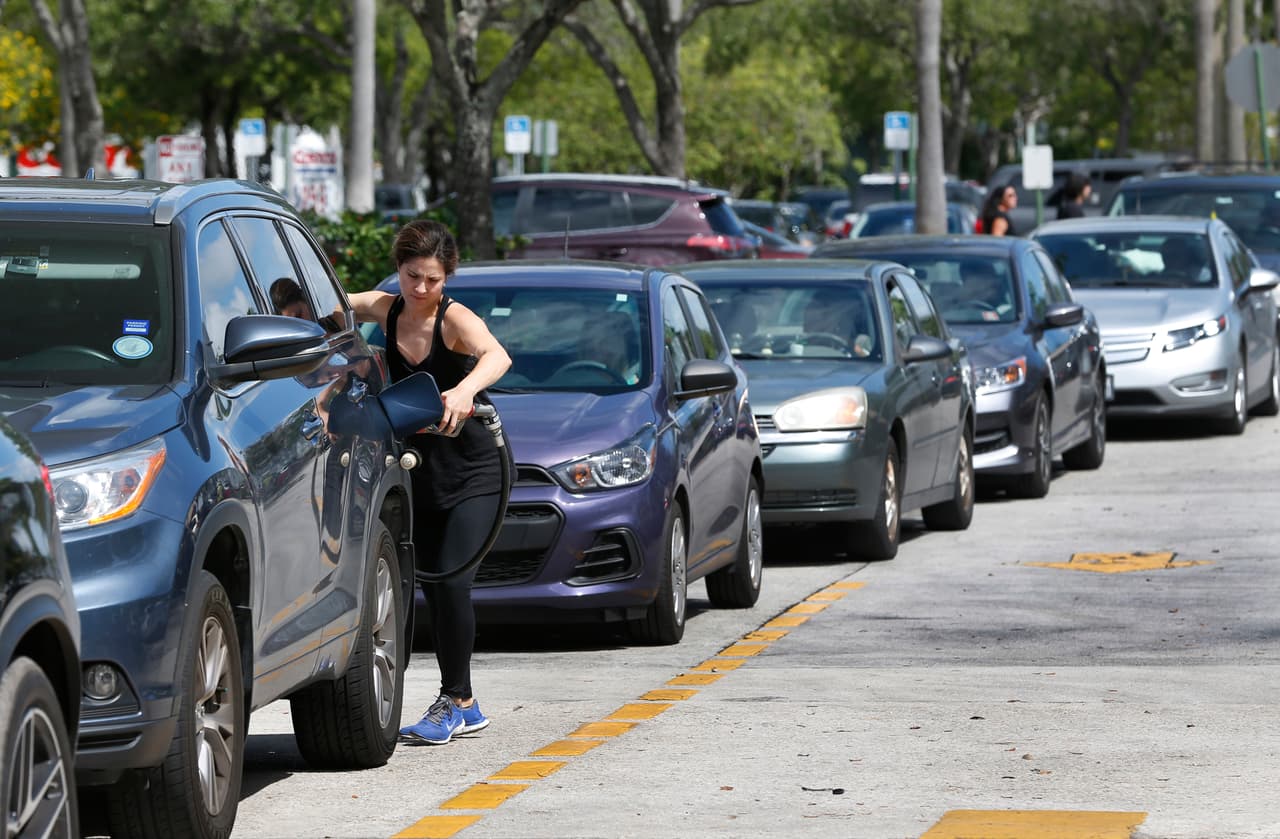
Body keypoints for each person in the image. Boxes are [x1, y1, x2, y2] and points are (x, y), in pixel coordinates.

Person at [349, 219, 512, 746]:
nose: (420, 289)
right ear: (398, 269)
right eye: (412, 276)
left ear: (447, 279)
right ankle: (465, 705)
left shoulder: (454, 318)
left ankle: (453, 699)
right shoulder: (384, 307)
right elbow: (330, 302)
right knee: (429, 588)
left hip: (475, 470)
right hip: (421, 468)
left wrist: (464, 390)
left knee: (452, 583)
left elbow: (498, 356)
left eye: (433, 279)